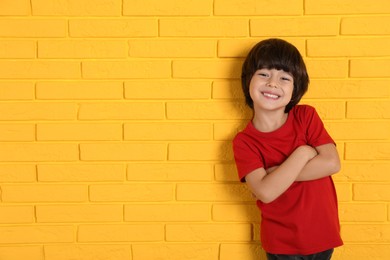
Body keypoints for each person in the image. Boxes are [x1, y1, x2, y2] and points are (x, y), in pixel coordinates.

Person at [232, 38, 343, 260]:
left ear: (295, 90)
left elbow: (332, 163)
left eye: (284, 78)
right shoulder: (244, 142)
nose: (273, 83)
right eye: (264, 74)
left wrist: (273, 175)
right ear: (248, 82)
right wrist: (303, 152)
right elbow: (266, 192)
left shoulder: (306, 116)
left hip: (322, 234)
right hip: (281, 242)